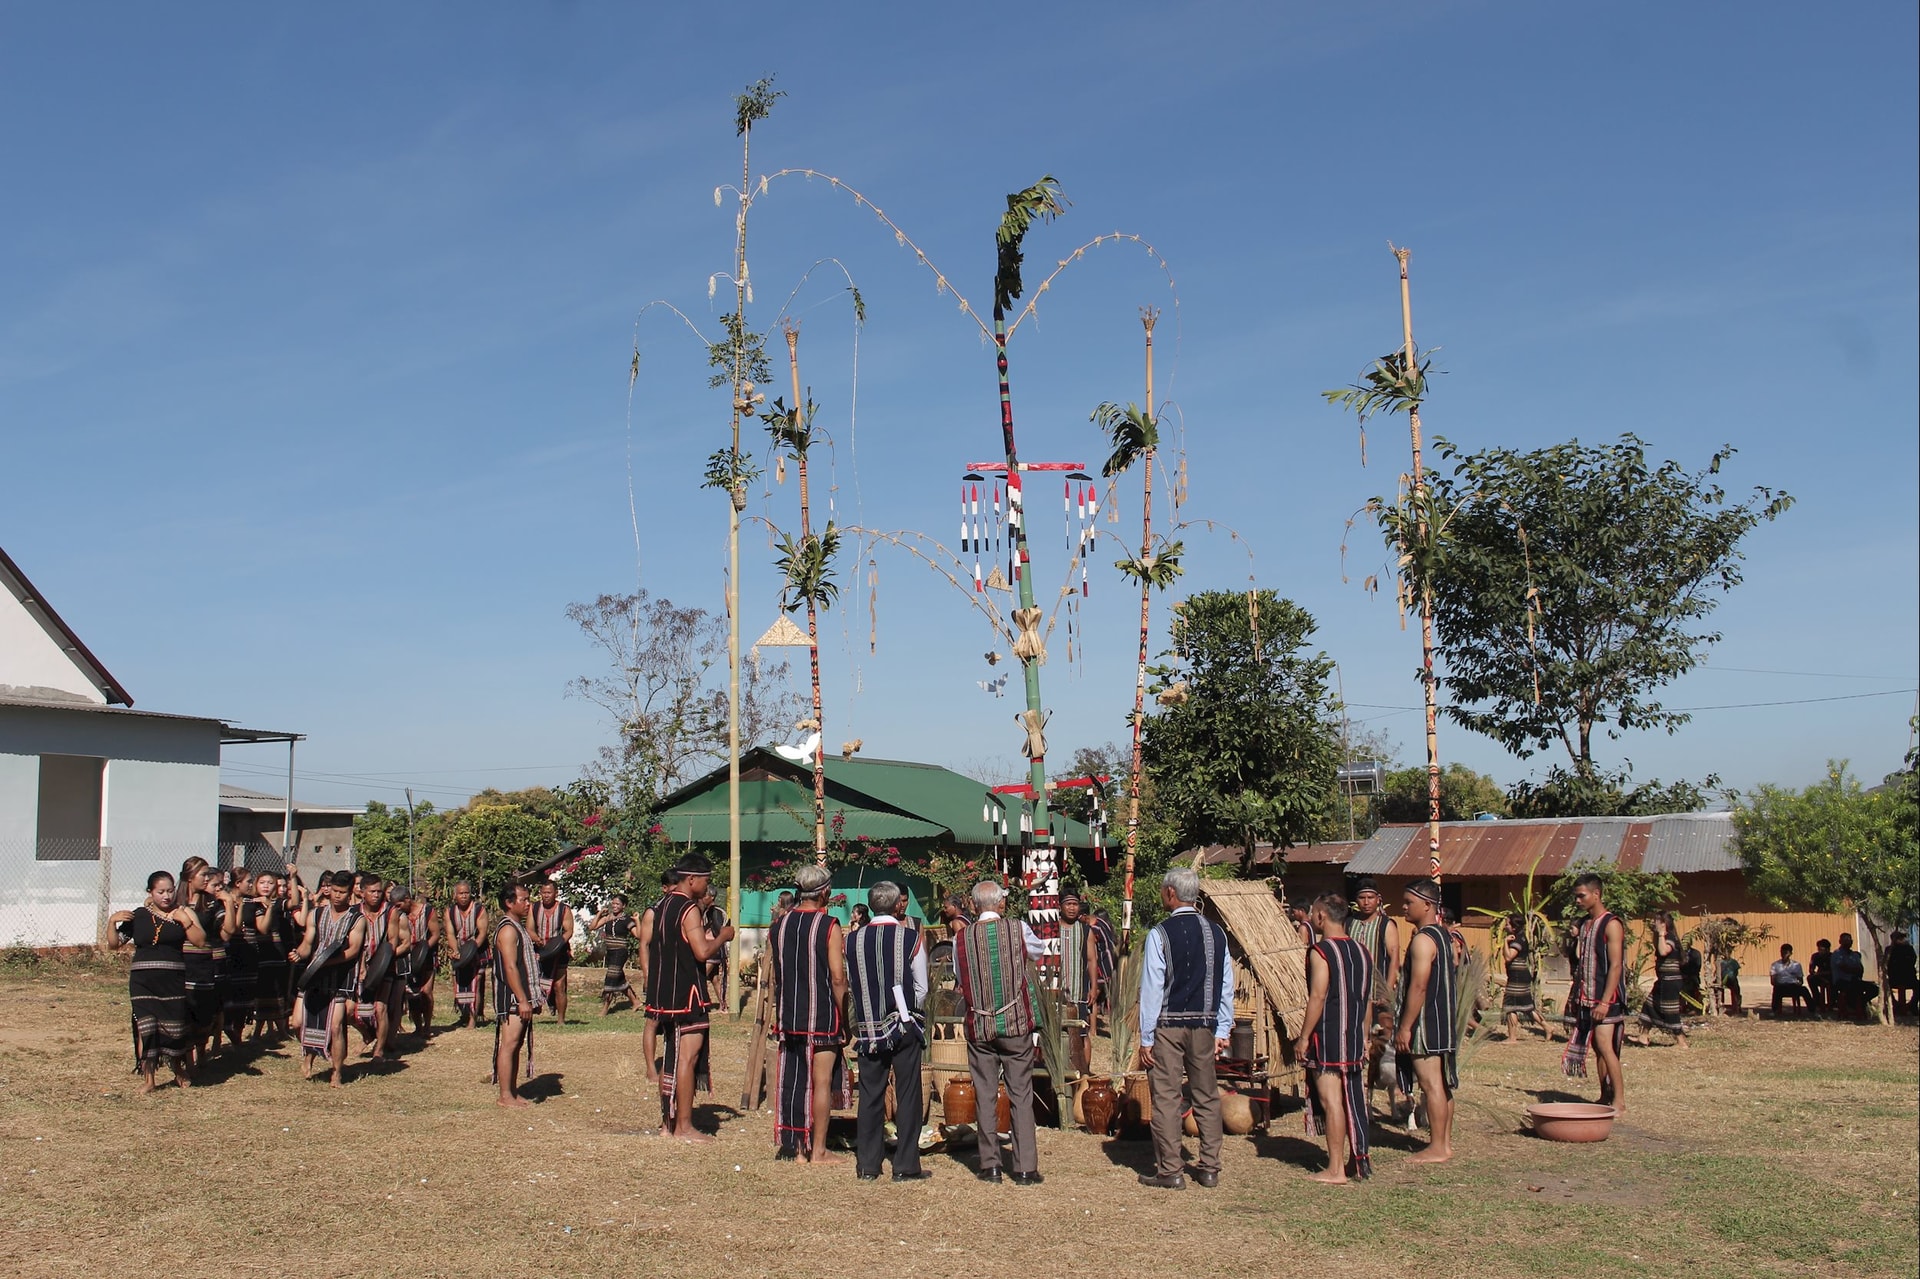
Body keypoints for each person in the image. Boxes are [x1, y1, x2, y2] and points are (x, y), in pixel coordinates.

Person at [1137, 867, 1234, 1190]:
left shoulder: (1159, 934)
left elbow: (1152, 989)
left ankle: (1170, 1170)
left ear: (1170, 893)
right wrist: (1223, 1029)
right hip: (1204, 1026)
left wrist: (1146, 1037)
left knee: (1166, 1097)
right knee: (1207, 1095)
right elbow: (1226, 986)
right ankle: (1209, 1167)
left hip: (1167, 1026)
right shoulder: (1217, 934)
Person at [952, 879, 1043, 1185]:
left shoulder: (960, 938)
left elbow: (958, 973)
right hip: (1015, 1022)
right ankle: (1025, 1168)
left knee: (986, 1095)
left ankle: (990, 1165)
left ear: (973, 905)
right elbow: (1038, 952)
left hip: (979, 1025)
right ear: (1001, 903)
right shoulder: (1018, 929)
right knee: (1020, 1094)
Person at [846, 880, 931, 1182]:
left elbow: (850, 982)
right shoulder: (910, 938)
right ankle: (905, 1165)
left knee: (870, 1093)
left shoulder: (852, 940)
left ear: (871, 906)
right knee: (908, 1093)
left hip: (868, 1027)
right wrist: (909, 1012)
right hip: (903, 1023)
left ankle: (868, 1165)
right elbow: (921, 986)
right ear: (898, 905)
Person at [645, 854, 732, 1142]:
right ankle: (683, 1126)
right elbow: (702, 952)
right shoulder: (688, 908)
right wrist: (723, 936)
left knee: (671, 1058)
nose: (707, 887)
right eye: (705, 880)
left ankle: (667, 1124)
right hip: (688, 994)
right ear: (691, 879)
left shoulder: (662, 906)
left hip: (666, 994)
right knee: (687, 1058)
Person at [770, 864, 848, 1163]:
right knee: (821, 1082)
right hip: (822, 1015)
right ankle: (819, 1150)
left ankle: (797, 1148)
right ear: (825, 891)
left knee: (794, 1080)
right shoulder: (829, 926)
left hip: (789, 1015)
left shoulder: (780, 925)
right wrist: (843, 1015)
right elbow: (838, 978)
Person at [1293, 892, 1372, 1184]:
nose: (1312, 917)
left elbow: (1318, 996)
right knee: (1352, 1099)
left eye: (1314, 913)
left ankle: (1336, 1168)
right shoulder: (1362, 951)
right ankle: (1354, 1161)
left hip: (1328, 1035)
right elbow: (1366, 999)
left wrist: (1303, 1038)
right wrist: (1364, 1035)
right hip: (1352, 1035)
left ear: (1322, 917)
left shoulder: (1321, 951)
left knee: (1332, 1101)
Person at [109, 871, 206, 1092]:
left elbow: (200, 941)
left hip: (172, 982)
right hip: (142, 982)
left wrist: (186, 923)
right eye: (160, 892)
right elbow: (115, 944)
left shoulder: (183, 913)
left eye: (170, 891)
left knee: (174, 1029)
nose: (166, 896)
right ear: (150, 892)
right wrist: (111, 922)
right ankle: (149, 1079)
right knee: (147, 1028)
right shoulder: (139, 915)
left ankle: (178, 1068)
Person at [1394, 879, 1458, 1164]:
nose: (1404, 907)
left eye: (1409, 902)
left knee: (1431, 1085)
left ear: (1428, 905)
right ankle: (1443, 1142)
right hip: (1442, 1022)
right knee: (1441, 1085)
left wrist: (1405, 1027)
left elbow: (1419, 986)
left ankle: (1438, 1147)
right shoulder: (1443, 936)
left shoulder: (1422, 940)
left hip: (1425, 1024)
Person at [294, 871, 366, 1087]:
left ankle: (337, 1071)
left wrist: (328, 962)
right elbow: (308, 943)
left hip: (341, 978)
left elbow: (353, 950)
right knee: (298, 1022)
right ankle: (310, 1054)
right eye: (334, 891)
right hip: (313, 974)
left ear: (350, 892)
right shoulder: (315, 914)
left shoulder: (357, 919)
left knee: (335, 1027)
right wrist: (299, 953)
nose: (337, 896)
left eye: (342, 892)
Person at [1563, 873, 1627, 1116]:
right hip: (1587, 995)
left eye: (1582, 896)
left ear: (1596, 894)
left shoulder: (1611, 924)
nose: (1578, 900)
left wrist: (1604, 1001)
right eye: (1576, 896)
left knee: (1605, 1045)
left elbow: (1616, 966)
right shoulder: (1586, 925)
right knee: (1598, 1049)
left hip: (1605, 998)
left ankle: (1619, 1100)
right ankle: (1605, 1095)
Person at [1346, 880, 1405, 1119]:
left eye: (1371, 897)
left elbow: (1393, 956)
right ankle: (1360, 1093)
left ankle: (1395, 1089)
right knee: (1359, 1042)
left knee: (1382, 1043)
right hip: (1355, 992)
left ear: (1378, 898)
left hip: (1378, 994)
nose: (1366, 902)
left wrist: (1386, 989)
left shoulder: (1386, 924)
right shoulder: (1350, 923)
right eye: (1362, 898)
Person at [489, 882, 544, 1106]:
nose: (528, 903)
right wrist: (522, 999)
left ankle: (512, 1091)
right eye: (524, 900)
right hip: (511, 996)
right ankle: (505, 1096)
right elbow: (510, 967)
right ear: (509, 903)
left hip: (520, 995)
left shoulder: (518, 926)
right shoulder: (508, 929)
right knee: (510, 1043)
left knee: (517, 1044)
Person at [1632, 911, 1690, 1048]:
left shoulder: (1670, 937)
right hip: (1663, 980)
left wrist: (1662, 933)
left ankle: (1681, 1042)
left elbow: (1664, 951)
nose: (1654, 923)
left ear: (1664, 923)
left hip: (1671, 982)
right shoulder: (1662, 937)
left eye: (1657, 921)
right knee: (1649, 1004)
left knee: (1670, 1011)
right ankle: (1643, 1036)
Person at [1058, 892, 1099, 1070]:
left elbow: (1091, 960)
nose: (1072, 908)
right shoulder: (1052, 929)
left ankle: (1083, 1072)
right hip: (1056, 993)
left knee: (1082, 1034)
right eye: (1068, 904)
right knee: (1059, 1033)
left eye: (1075, 904)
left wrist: (1094, 986)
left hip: (1078, 990)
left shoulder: (1085, 930)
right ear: (1060, 906)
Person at [249, 870, 291, 1039]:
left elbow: (294, 902)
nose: (266, 886)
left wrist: (293, 879)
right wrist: (267, 907)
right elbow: (263, 928)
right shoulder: (253, 903)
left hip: (276, 951)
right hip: (260, 951)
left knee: (277, 990)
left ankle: (280, 1029)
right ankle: (259, 1030)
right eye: (262, 882)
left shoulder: (276, 902)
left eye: (270, 882)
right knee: (262, 990)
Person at [445, 881, 489, 1030]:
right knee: (460, 983)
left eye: (466, 893)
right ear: (455, 895)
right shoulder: (450, 912)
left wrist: (472, 949)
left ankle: (472, 1019)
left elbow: (482, 932)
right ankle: (463, 1015)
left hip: (477, 950)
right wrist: (456, 950)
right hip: (460, 951)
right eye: (460, 893)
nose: (464, 896)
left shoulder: (479, 910)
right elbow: (450, 933)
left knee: (475, 984)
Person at [396, 884, 439, 1036]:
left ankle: (427, 1026)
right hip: (407, 959)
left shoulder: (427, 911)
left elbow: (435, 934)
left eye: (399, 905)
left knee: (426, 992)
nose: (397, 908)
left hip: (426, 957)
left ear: (407, 899)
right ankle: (418, 1027)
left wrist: (423, 949)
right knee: (412, 994)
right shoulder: (398, 915)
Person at [530, 880, 574, 1024]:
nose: (546, 895)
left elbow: (568, 931)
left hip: (559, 951)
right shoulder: (534, 908)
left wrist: (558, 943)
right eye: (543, 892)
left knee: (559, 986)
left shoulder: (564, 909)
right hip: (540, 951)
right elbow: (529, 929)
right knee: (536, 982)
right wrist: (537, 939)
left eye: (549, 893)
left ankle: (561, 1019)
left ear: (556, 893)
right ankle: (536, 1010)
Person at [1500, 914, 1551, 1042]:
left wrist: (1505, 942)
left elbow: (1508, 957)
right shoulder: (1520, 937)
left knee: (1511, 1005)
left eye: (1507, 924)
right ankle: (1547, 1027)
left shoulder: (1517, 940)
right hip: (1519, 976)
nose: (1505, 926)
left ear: (1514, 926)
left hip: (1517, 977)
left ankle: (1512, 1038)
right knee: (1526, 1006)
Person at [587, 896, 638, 1014]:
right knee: (618, 978)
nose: (614, 906)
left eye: (618, 904)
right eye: (613, 904)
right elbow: (592, 927)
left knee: (610, 979)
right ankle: (635, 1001)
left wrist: (637, 921)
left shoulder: (627, 920)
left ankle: (605, 1007)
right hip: (610, 952)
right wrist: (600, 913)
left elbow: (638, 935)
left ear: (623, 906)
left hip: (620, 953)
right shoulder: (608, 918)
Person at [1831, 934, 1872, 1018]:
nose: (1848, 942)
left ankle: (1860, 1003)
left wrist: (1855, 971)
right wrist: (1854, 970)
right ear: (1840, 942)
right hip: (1841, 981)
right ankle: (1854, 1006)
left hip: (1855, 980)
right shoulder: (1837, 954)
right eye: (1845, 940)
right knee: (1854, 989)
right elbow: (1843, 968)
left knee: (1874, 989)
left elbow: (1860, 969)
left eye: (1849, 940)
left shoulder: (1855, 955)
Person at [1769, 943, 1813, 1017]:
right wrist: (1777, 983)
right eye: (1782, 953)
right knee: (1776, 990)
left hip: (1793, 985)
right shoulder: (1775, 965)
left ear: (1790, 953)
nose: (1783, 955)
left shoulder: (1796, 965)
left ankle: (1812, 1010)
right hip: (1781, 985)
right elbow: (1773, 980)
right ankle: (1774, 1010)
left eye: (1786, 953)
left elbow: (1801, 980)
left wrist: (1798, 983)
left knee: (1804, 990)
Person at [1884, 934, 1917, 1017]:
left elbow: (1912, 960)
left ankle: (1912, 1005)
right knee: (1885, 987)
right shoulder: (1889, 950)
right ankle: (1896, 1005)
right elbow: (1889, 964)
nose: (1902, 940)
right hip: (1895, 978)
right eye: (1900, 938)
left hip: (1909, 977)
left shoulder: (1909, 948)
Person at [1807, 938, 1832, 1015]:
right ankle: (1817, 999)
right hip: (1819, 976)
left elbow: (1833, 971)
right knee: (1810, 978)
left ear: (1827, 949)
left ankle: (1832, 1002)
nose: (1820, 951)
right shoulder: (1815, 956)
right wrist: (1812, 971)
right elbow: (1811, 968)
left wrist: (1821, 974)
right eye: (1819, 949)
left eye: (1822, 949)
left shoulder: (1832, 957)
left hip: (1830, 976)